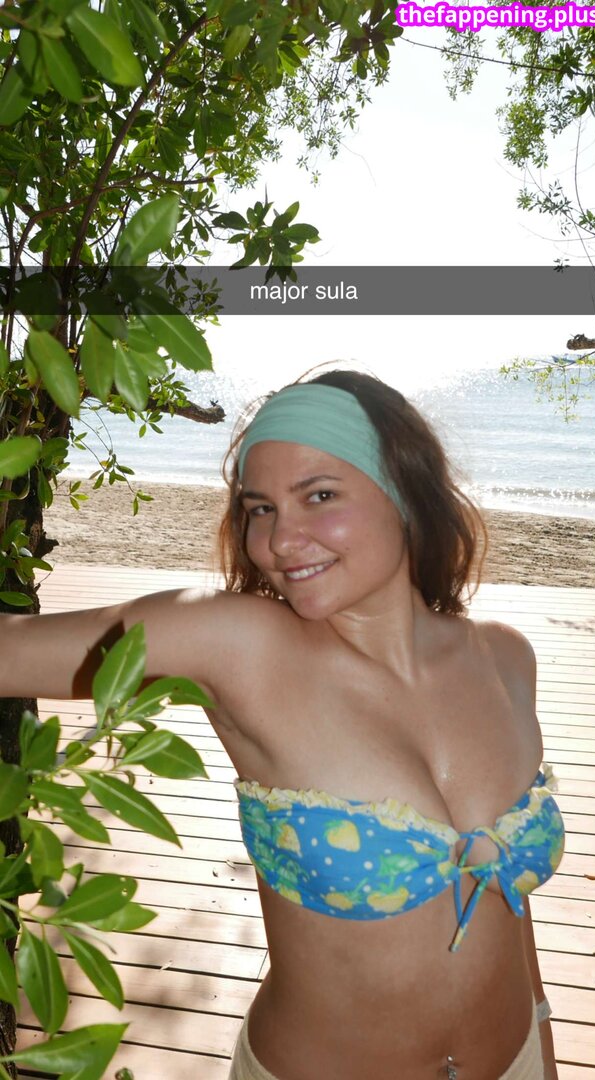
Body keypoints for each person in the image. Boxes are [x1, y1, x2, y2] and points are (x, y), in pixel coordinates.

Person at [0, 370, 564, 1080]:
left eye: (319, 496)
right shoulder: (239, 647)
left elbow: (505, 895)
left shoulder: (505, 659)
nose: (281, 540)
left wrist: (542, 1038)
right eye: (260, 508)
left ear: (404, 490)